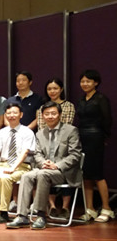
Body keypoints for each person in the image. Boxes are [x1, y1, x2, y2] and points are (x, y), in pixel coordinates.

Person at [7, 102, 82, 230]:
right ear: (42, 116)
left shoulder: (71, 130)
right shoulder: (40, 133)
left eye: (53, 113)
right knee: (26, 176)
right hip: (44, 169)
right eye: (47, 114)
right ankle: (22, 216)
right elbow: (37, 154)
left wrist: (56, 165)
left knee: (42, 174)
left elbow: (75, 155)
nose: (50, 116)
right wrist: (43, 163)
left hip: (64, 172)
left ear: (59, 115)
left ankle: (41, 216)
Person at [0, 103, 35, 223]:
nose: (12, 115)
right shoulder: (1, 132)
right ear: (5, 115)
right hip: (3, 164)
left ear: (21, 115)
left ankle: (3, 212)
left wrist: (13, 168)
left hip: (21, 166)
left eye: (15, 113)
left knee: (5, 178)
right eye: (9, 113)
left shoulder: (27, 132)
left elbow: (25, 152)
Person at [35, 78, 76, 217]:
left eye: (55, 88)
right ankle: (51, 206)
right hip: (46, 143)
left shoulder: (68, 106)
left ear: (61, 89)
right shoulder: (42, 107)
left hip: (63, 143)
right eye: (49, 89)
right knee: (44, 170)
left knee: (63, 167)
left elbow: (66, 125)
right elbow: (41, 126)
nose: (52, 91)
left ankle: (65, 207)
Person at [76, 69, 113, 222]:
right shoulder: (81, 99)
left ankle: (107, 208)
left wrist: (104, 136)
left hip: (96, 136)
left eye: (88, 81)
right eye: (82, 81)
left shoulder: (101, 98)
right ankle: (90, 209)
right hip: (82, 137)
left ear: (95, 83)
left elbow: (107, 119)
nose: (85, 84)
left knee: (97, 174)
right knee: (85, 174)